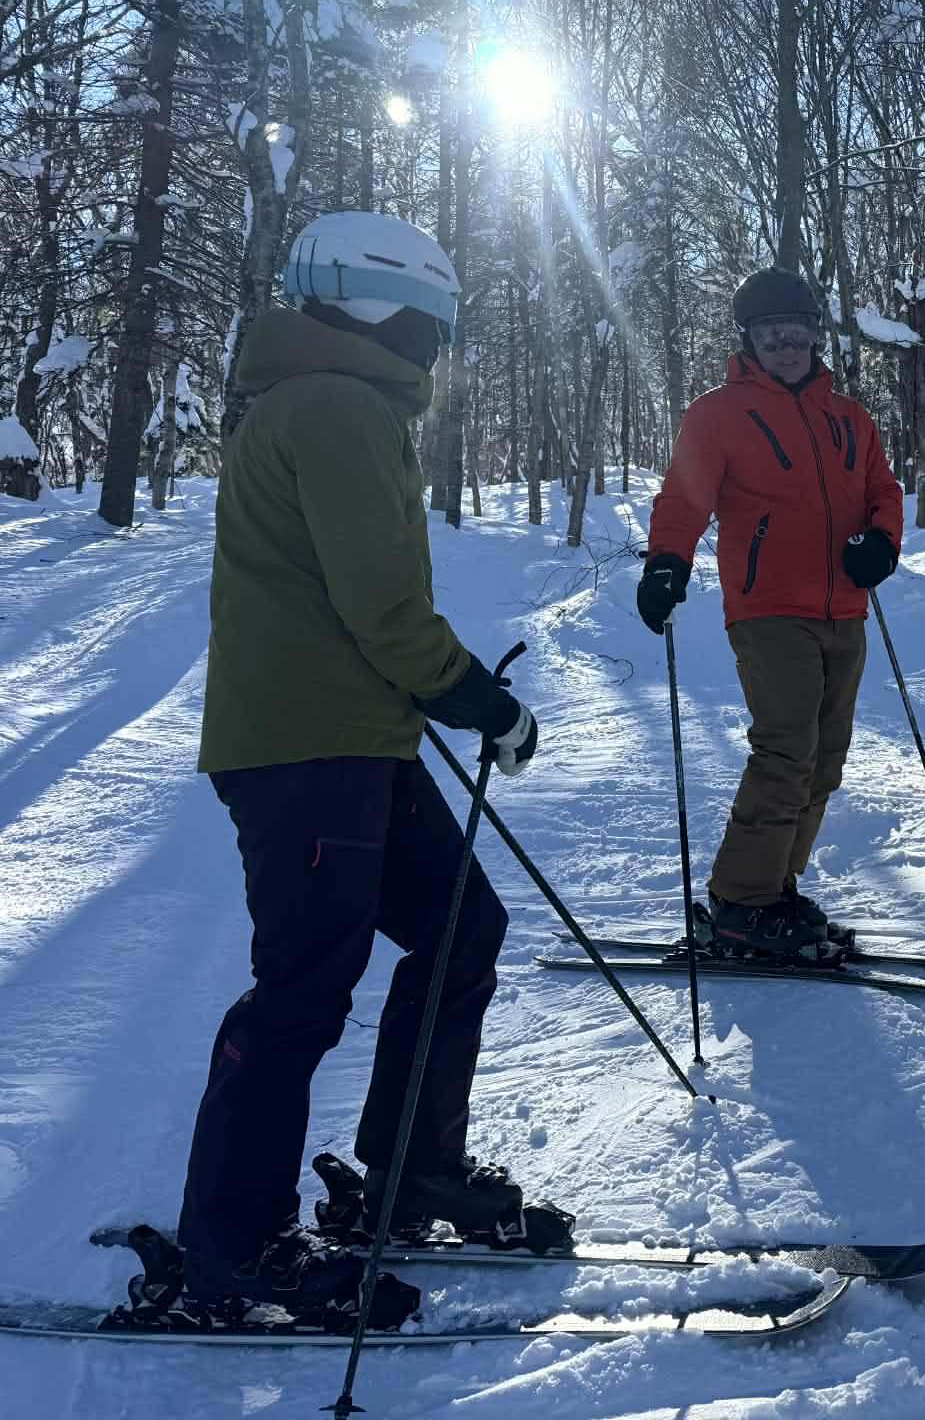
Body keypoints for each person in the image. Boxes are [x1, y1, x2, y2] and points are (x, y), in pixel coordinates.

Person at [176, 212, 548, 1327]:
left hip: (352, 736)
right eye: (434, 323)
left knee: (459, 928)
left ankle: (408, 1172)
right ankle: (235, 1245)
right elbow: (380, 605)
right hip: (305, 749)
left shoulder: (332, 399)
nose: (436, 346)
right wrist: (476, 695)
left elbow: (355, 604)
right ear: (393, 310)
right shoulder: (337, 406)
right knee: (303, 984)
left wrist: (428, 692)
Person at [637, 267, 904, 962]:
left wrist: (882, 541)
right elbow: (685, 498)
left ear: (817, 336)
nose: (785, 345)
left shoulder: (849, 418)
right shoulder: (718, 413)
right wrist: (668, 561)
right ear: (748, 341)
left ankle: (774, 889)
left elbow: (883, 491)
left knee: (826, 758)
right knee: (786, 749)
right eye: (769, 333)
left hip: (844, 607)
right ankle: (740, 901)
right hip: (767, 610)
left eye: (796, 331)